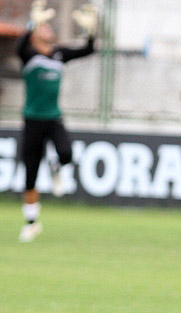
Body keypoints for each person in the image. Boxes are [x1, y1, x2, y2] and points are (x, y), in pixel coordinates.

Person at [16, 1, 97, 242]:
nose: (48, 29)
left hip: (53, 118)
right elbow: (20, 45)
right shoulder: (28, 54)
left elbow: (89, 50)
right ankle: (31, 223)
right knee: (30, 174)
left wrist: (91, 31)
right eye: (44, 27)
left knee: (66, 153)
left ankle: (56, 168)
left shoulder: (59, 54)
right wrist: (31, 22)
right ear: (34, 35)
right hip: (32, 120)